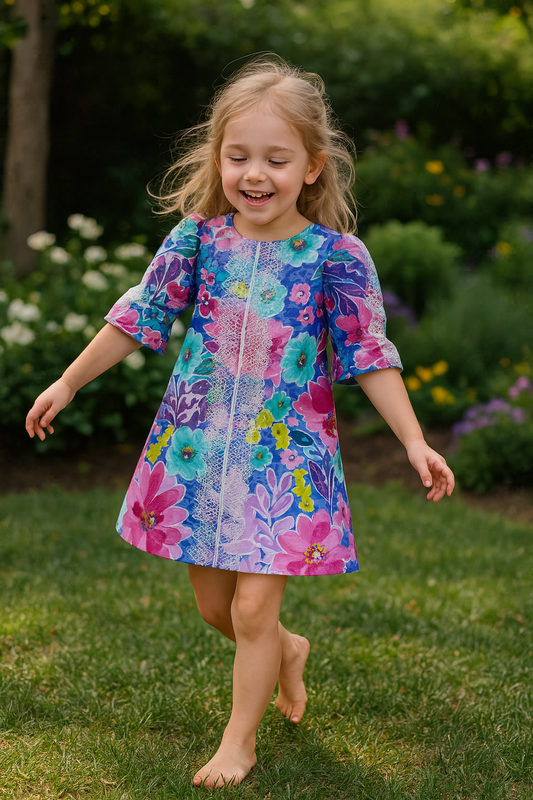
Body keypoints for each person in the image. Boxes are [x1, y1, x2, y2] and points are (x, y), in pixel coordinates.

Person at [26, 57, 455, 789]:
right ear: (217, 156)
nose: (254, 174)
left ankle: (239, 742)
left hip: (283, 457)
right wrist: (67, 381)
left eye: (275, 159)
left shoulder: (334, 257)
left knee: (253, 606)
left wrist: (414, 441)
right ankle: (287, 651)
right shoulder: (198, 241)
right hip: (196, 450)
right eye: (238, 156)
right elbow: (140, 318)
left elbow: (368, 353)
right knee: (217, 609)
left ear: (313, 167)